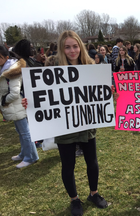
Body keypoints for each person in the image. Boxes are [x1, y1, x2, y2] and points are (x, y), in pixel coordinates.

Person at [22, 30, 108, 216]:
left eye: (75, 46)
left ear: (81, 47)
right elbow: (43, 93)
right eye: (67, 47)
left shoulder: (90, 65)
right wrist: (29, 101)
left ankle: (94, 193)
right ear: (62, 49)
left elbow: (99, 91)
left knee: (92, 162)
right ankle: (74, 199)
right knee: (68, 165)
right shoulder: (53, 65)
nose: (72, 50)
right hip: (63, 125)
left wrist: (106, 92)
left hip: (86, 122)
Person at [0, 45, 39, 168]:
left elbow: (15, 93)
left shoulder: (12, 70)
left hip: (17, 105)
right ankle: (24, 153)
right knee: (21, 131)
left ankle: (31, 156)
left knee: (25, 132)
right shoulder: (5, 69)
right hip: (13, 107)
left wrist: (3, 100)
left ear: (6, 57)